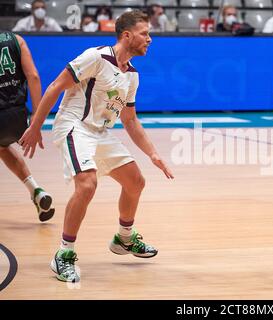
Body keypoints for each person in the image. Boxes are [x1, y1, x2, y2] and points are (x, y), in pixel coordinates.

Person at [19, 10, 174, 283]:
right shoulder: (96, 57)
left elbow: (130, 121)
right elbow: (55, 86)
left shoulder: (132, 75)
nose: (150, 39)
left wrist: (153, 154)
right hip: (74, 126)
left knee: (135, 182)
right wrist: (35, 125)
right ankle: (63, 254)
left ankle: (124, 239)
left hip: (100, 132)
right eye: (144, 33)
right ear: (127, 35)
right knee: (87, 184)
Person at [0, 31, 55, 222]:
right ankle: (36, 192)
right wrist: (37, 119)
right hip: (18, 116)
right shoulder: (16, 40)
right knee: (3, 148)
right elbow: (33, 77)